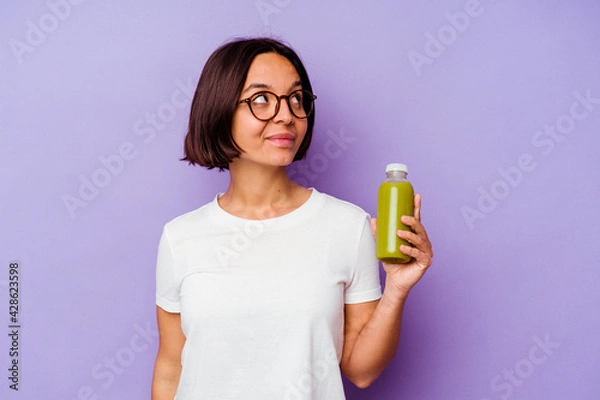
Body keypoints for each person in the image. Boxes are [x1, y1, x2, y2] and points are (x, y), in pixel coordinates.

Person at [151, 37, 434, 400]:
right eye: (262, 99)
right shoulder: (180, 237)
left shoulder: (348, 226)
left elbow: (361, 371)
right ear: (220, 109)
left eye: (296, 98)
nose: (286, 114)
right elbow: (171, 368)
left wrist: (396, 289)